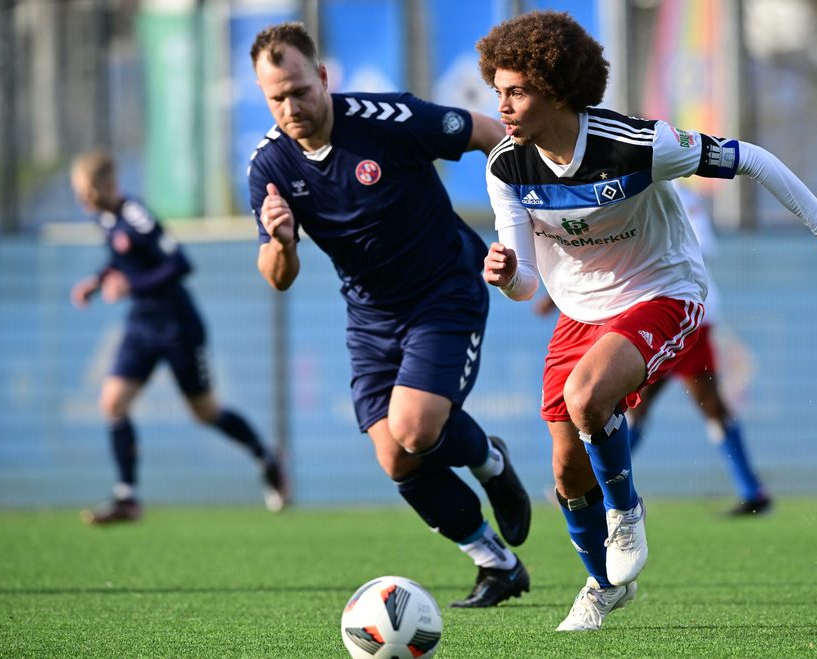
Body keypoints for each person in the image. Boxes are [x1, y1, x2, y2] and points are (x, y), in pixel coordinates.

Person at [477, 10, 817, 631]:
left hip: (662, 290)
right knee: (566, 468)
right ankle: (602, 586)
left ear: (559, 88)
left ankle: (627, 513)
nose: (504, 106)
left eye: (517, 91)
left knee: (588, 396)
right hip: (579, 309)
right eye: (499, 91)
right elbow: (525, 286)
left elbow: (751, 158)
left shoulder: (639, 144)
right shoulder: (505, 168)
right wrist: (506, 273)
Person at [247, 22, 531, 608]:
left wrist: (530, 226)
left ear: (323, 77)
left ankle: (490, 462)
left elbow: (488, 135)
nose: (291, 105)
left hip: (444, 291)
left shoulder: (389, 119)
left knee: (415, 428)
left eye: (300, 89)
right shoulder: (269, 168)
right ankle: (496, 564)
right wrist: (281, 242)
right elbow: (278, 278)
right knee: (395, 456)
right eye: (276, 97)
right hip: (371, 315)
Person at [69, 149, 288, 525]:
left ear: (108, 184)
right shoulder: (105, 219)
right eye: (78, 191)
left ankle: (266, 457)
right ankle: (127, 497)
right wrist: (99, 280)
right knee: (112, 403)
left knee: (205, 412)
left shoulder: (135, 214)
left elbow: (179, 263)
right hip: (142, 326)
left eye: (87, 190)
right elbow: (123, 262)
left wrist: (128, 285)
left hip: (177, 326)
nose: (82, 198)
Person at [535, 183, 771, 516]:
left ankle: (597, 485)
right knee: (703, 406)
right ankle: (752, 489)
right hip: (668, 310)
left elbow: (696, 245)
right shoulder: (621, 187)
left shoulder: (668, 188)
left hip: (675, 311)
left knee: (635, 404)